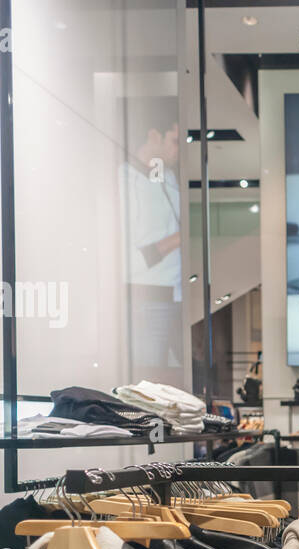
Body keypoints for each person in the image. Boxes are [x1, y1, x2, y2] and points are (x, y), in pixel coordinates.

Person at [119, 98, 183, 375]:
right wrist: (180, 238)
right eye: (175, 140)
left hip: (175, 296)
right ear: (154, 136)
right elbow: (126, 259)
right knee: (149, 383)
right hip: (147, 301)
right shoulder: (124, 181)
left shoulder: (167, 177)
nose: (179, 150)